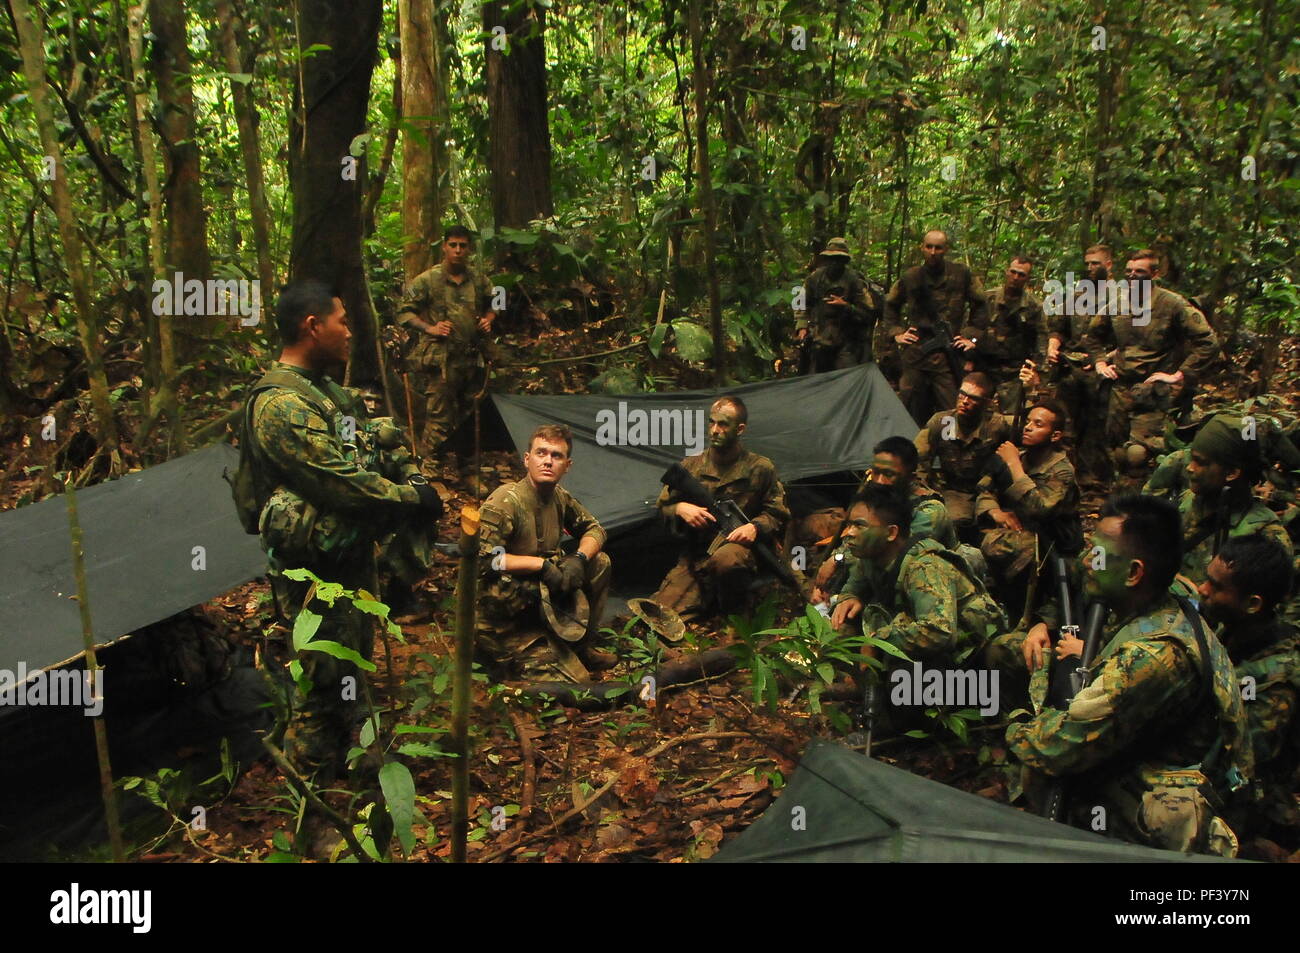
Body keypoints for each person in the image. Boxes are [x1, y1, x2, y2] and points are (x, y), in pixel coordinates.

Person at [242, 280, 443, 777]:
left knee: (352, 663)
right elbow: (341, 483)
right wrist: (410, 499)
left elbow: (371, 437)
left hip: (346, 560)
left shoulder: (325, 392)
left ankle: (356, 772)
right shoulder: (280, 405)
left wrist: (407, 470)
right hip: (312, 574)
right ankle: (317, 804)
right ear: (313, 327)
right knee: (320, 680)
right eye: (342, 321)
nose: (350, 332)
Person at [1005, 494, 1250, 856]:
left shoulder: (1150, 659)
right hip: (1184, 760)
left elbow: (1058, 748)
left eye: (1099, 554)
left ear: (1135, 573)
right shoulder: (1169, 596)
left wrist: (1016, 723)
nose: (1088, 561)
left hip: (1192, 797)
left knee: (1042, 770)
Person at [475, 424, 614, 682]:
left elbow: (595, 529)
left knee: (599, 562)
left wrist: (579, 558)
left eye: (556, 455)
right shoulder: (507, 500)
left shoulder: (560, 497)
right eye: (541, 453)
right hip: (505, 617)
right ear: (527, 459)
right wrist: (540, 565)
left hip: (543, 602)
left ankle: (580, 646)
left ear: (567, 465)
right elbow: (485, 560)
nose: (548, 461)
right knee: (579, 685)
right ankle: (500, 657)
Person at [830, 484, 1005, 670]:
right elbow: (856, 581)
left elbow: (939, 632)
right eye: (849, 525)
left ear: (891, 533)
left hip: (972, 654)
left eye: (859, 525)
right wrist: (849, 595)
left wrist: (878, 642)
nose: (850, 533)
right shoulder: (871, 557)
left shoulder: (925, 566)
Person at [1197, 536, 1299, 849]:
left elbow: (1244, 758)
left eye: (1216, 587)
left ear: (1253, 604)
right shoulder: (1237, 626)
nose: (1203, 589)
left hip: (1254, 804)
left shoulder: (1279, 678)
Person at [653, 396, 790, 622]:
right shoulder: (691, 467)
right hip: (696, 555)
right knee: (662, 616)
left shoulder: (760, 468)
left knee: (727, 560)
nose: (715, 430)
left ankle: (735, 616)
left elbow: (778, 512)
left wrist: (754, 527)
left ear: (740, 429)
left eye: (724, 424)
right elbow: (661, 509)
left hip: (741, 549)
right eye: (712, 422)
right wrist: (679, 508)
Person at [1092, 248, 1220, 482]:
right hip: (1120, 389)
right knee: (1119, 452)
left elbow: (1208, 342)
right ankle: (1121, 503)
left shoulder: (1172, 304)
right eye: (1128, 271)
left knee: (1137, 454)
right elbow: (1092, 335)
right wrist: (1100, 361)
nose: (1132, 276)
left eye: (1139, 272)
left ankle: (1145, 504)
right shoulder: (1117, 302)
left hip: (1153, 391)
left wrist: (1178, 374)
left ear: (1155, 273)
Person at [396, 225, 497, 472]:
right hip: (440, 360)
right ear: (444, 246)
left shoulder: (479, 279)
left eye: (463, 245)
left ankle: (468, 469)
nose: (458, 250)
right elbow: (403, 312)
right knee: (439, 417)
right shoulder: (427, 280)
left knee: (469, 415)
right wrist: (430, 328)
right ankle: (430, 470)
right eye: (453, 245)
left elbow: (498, 301)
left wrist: (489, 319)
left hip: (471, 358)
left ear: (469, 249)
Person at [1175, 414, 1293, 592]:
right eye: (1192, 459)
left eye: (1200, 462)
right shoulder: (1187, 500)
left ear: (1231, 473)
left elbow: (1265, 609)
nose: (1190, 468)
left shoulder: (1266, 536)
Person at [881, 229, 988, 425]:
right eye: (928, 247)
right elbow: (890, 304)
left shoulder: (960, 274)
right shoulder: (911, 276)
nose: (932, 252)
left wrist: (969, 337)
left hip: (948, 354)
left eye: (938, 248)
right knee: (908, 406)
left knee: (952, 410)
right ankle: (910, 448)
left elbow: (980, 306)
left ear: (945, 249)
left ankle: (950, 449)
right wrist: (897, 333)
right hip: (916, 353)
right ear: (922, 248)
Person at [976, 399, 1080, 594]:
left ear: (1055, 435)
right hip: (1015, 529)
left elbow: (1040, 509)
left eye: (1038, 424)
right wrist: (995, 511)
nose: (1028, 428)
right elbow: (985, 488)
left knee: (996, 546)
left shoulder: (1062, 470)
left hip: (1050, 541)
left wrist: (1014, 465)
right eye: (1028, 422)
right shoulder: (1020, 456)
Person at [914, 371, 1014, 542]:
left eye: (973, 398)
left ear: (987, 403)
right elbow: (918, 460)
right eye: (962, 394)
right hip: (954, 490)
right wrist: (922, 491)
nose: (964, 401)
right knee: (952, 519)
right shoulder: (944, 422)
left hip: (987, 490)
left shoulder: (997, 426)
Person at [962, 255, 1042, 413]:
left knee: (1009, 417)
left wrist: (1037, 370)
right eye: (1013, 272)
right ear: (1007, 272)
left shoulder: (1033, 306)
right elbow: (971, 327)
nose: (1016, 277)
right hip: (984, 366)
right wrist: (971, 345)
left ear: (1027, 278)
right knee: (971, 408)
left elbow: (1041, 338)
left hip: (1013, 371)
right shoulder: (988, 298)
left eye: (1021, 274)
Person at [794, 237, 879, 372]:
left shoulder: (853, 280)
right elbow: (799, 301)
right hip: (819, 338)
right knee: (814, 379)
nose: (834, 263)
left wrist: (846, 306)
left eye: (839, 259)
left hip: (845, 341)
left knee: (847, 377)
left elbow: (868, 311)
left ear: (844, 261)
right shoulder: (815, 278)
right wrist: (802, 326)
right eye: (831, 259)